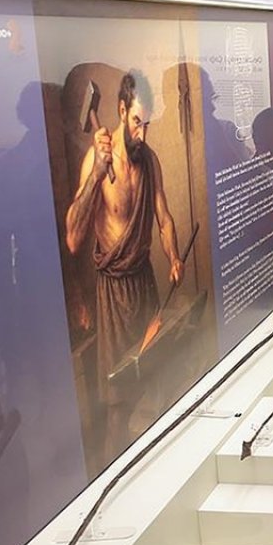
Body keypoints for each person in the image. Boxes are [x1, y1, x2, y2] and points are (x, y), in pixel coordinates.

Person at [64, 70, 184, 462]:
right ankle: (113, 473)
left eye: (147, 124)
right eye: (136, 122)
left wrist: (174, 256)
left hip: (144, 281)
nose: (142, 134)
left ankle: (160, 463)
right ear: (120, 110)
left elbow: (164, 219)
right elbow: (73, 238)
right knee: (119, 402)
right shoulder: (95, 161)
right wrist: (97, 175)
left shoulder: (149, 161)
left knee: (159, 377)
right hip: (113, 293)